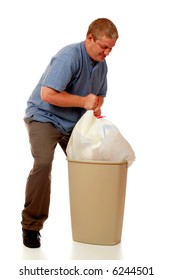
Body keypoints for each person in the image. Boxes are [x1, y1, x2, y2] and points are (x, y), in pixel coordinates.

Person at [21, 18, 119, 248]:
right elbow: (47, 94)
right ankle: (31, 227)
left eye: (111, 49)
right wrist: (84, 100)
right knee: (44, 162)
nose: (107, 52)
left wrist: (95, 104)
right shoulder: (70, 57)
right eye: (104, 47)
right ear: (89, 38)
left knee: (93, 163)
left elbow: (99, 95)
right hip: (44, 117)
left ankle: (94, 222)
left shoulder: (102, 65)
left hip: (72, 123)